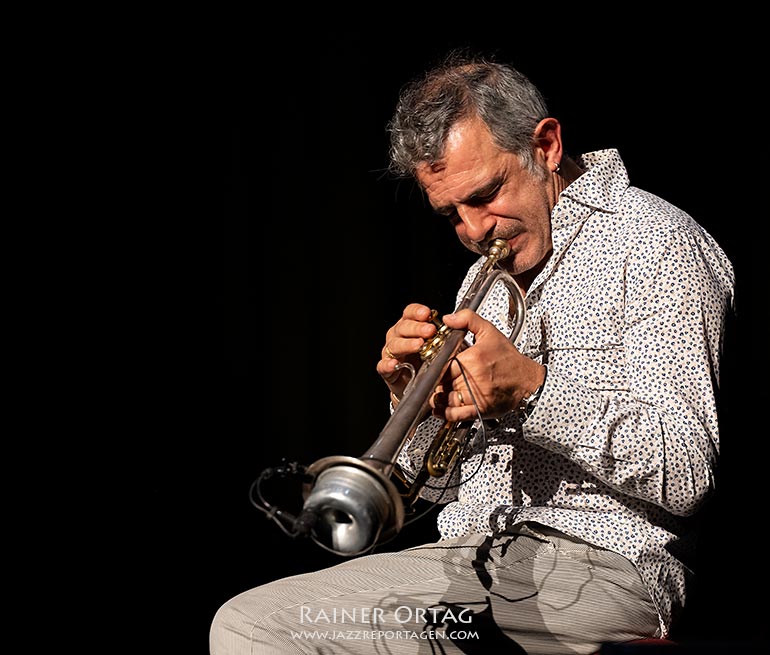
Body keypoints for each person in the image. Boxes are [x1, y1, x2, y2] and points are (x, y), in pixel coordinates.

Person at [211, 51, 735, 654]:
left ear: (545, 146)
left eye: (486, 194)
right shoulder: (482, 282)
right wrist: (417, 402)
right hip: (466, 555)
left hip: (601, 565)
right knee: (247, 622)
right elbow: (429, 490)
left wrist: (533, 393)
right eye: (451, 213)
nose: (473, 229)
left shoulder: (655, 242)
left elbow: (691, 473)